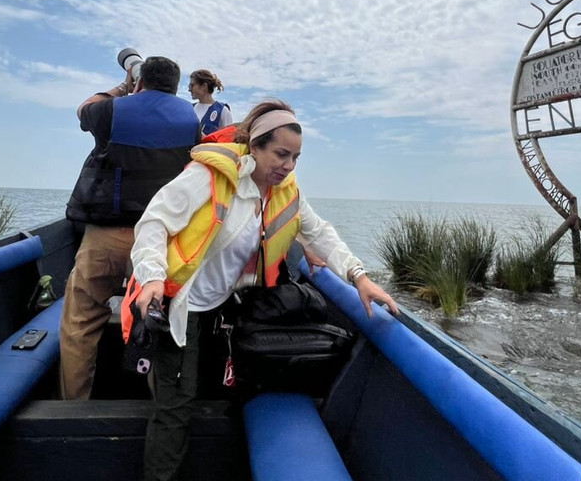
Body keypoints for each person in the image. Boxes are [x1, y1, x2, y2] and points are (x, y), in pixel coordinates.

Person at [129, 100, 399, 481]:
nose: (288, 165)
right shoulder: (207, 177)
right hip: (180, 305)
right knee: (177, 403)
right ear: (254, 147)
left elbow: (320, 232)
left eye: (296, 158)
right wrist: (153, 276)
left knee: (215, 390)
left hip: (224, 308)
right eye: (281, 154)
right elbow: (153, 222)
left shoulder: (285, 191)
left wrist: (360, 277)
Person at [59, 56, 199, 400]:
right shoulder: (189, 119)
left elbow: (84, 109)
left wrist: (122, 86)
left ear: (140, 79)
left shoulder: (114, 110)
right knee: (158, 324)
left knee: (81, 320)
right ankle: (158, 407)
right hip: (161, 243)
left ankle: (74, 406)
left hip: (105, 236)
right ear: (176, 86)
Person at [188, 68, 232, 138]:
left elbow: (228, 139)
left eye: (192, 85)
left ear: (204, 86)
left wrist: (206, 139)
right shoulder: (189, 109)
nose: (189, 89)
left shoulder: (222, 111)